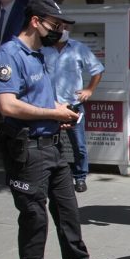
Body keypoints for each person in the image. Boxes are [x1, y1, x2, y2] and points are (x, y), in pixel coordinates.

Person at [0, 0, 117, 259]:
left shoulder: (38, 54)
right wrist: (52, 115)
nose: (58, 31)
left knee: (67, 210)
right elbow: (8, 105)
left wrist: (57, 112)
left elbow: (38, 100)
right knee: (34, 217)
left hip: (54, 146)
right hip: (28, 151)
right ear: (35, 21)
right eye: (54, 25)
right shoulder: (10, 54)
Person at [41, 23, 104, 193]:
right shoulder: (44, 48)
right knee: (49, 144)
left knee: (79, 145)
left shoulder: (78, 48)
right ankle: (52, 176)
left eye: (65, 28)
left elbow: (97, 70)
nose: (62, 31)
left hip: (73, 105)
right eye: (59, 28)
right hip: (50, 106)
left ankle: (80, 177)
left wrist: (89, 89)